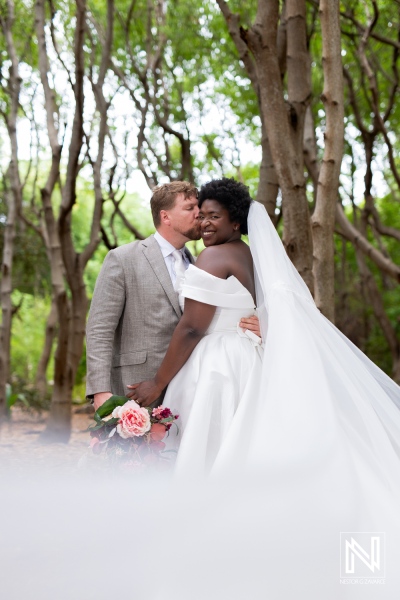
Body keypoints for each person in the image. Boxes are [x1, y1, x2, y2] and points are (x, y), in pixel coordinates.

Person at [130, 178, 400, 499]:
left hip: (218, 366)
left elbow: (192, 328)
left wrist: (157, 383)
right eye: (201, 215)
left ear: (236, 221)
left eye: (214, 216)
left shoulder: (213, 257)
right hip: (250, 358)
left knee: (209, 448)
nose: (204, 223)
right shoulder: (251, 256)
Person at [85, 180, 260, 411]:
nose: (199, 215)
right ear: (165, 217)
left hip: (191, 386)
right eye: (190, 209)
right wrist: (100, 391)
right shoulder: (123, 259)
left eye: (200, 209)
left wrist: (257, 324)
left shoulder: (204, 264)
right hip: (136, 388)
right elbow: (99, 328)